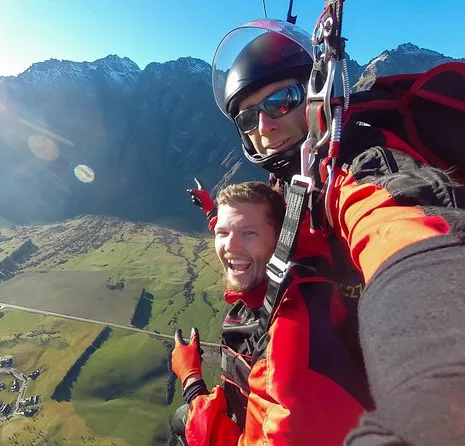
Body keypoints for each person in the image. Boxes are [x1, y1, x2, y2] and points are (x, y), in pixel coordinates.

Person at [209, 19, 465, 445]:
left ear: (315, 96)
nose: (264, 126)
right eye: (249, 117)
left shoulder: (354, 164)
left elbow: (398, 226)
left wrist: (434, 400)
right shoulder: (297, 175)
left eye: (281, 101)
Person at [171, 181, 372, 445]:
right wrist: (211, 210)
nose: (230, 246)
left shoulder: (286, 337)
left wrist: (192, 385)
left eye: (249, 233)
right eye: (223, 232)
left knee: (180, 419)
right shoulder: (301, 265)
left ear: (280, 241)